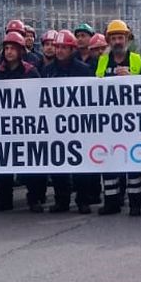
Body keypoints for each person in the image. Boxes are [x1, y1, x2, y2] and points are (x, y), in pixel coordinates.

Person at [0, 31, 45, 213]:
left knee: (30, 164)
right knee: (4, 164)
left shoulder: (30, 72)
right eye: (6, 48)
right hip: (4, 125)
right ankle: (4, 199)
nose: (9, 52)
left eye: (13, 48)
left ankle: (34, 199)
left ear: (20, 51)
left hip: (26, 126)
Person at [41, 29, 97, 213]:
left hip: (78, 126)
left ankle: (83, 200)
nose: (59, 51)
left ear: (72, 49)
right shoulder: (48, 71)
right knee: (59, 165)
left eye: (64, 47)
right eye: (57, 47)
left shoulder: (83, 70)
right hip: (55, 126)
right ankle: (61, 200)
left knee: (81, 166)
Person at [95, 19, 141, 216]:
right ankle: (111, 203)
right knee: (109, 163)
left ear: (127, 39)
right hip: (108, 123)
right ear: (109, 40)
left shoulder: (137, 60)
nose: (117, 41)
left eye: (121, 37)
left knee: (133, 164)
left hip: (132, 122)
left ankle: (135, 204)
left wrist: (131, 79)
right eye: (114, 38)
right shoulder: (101, 61)